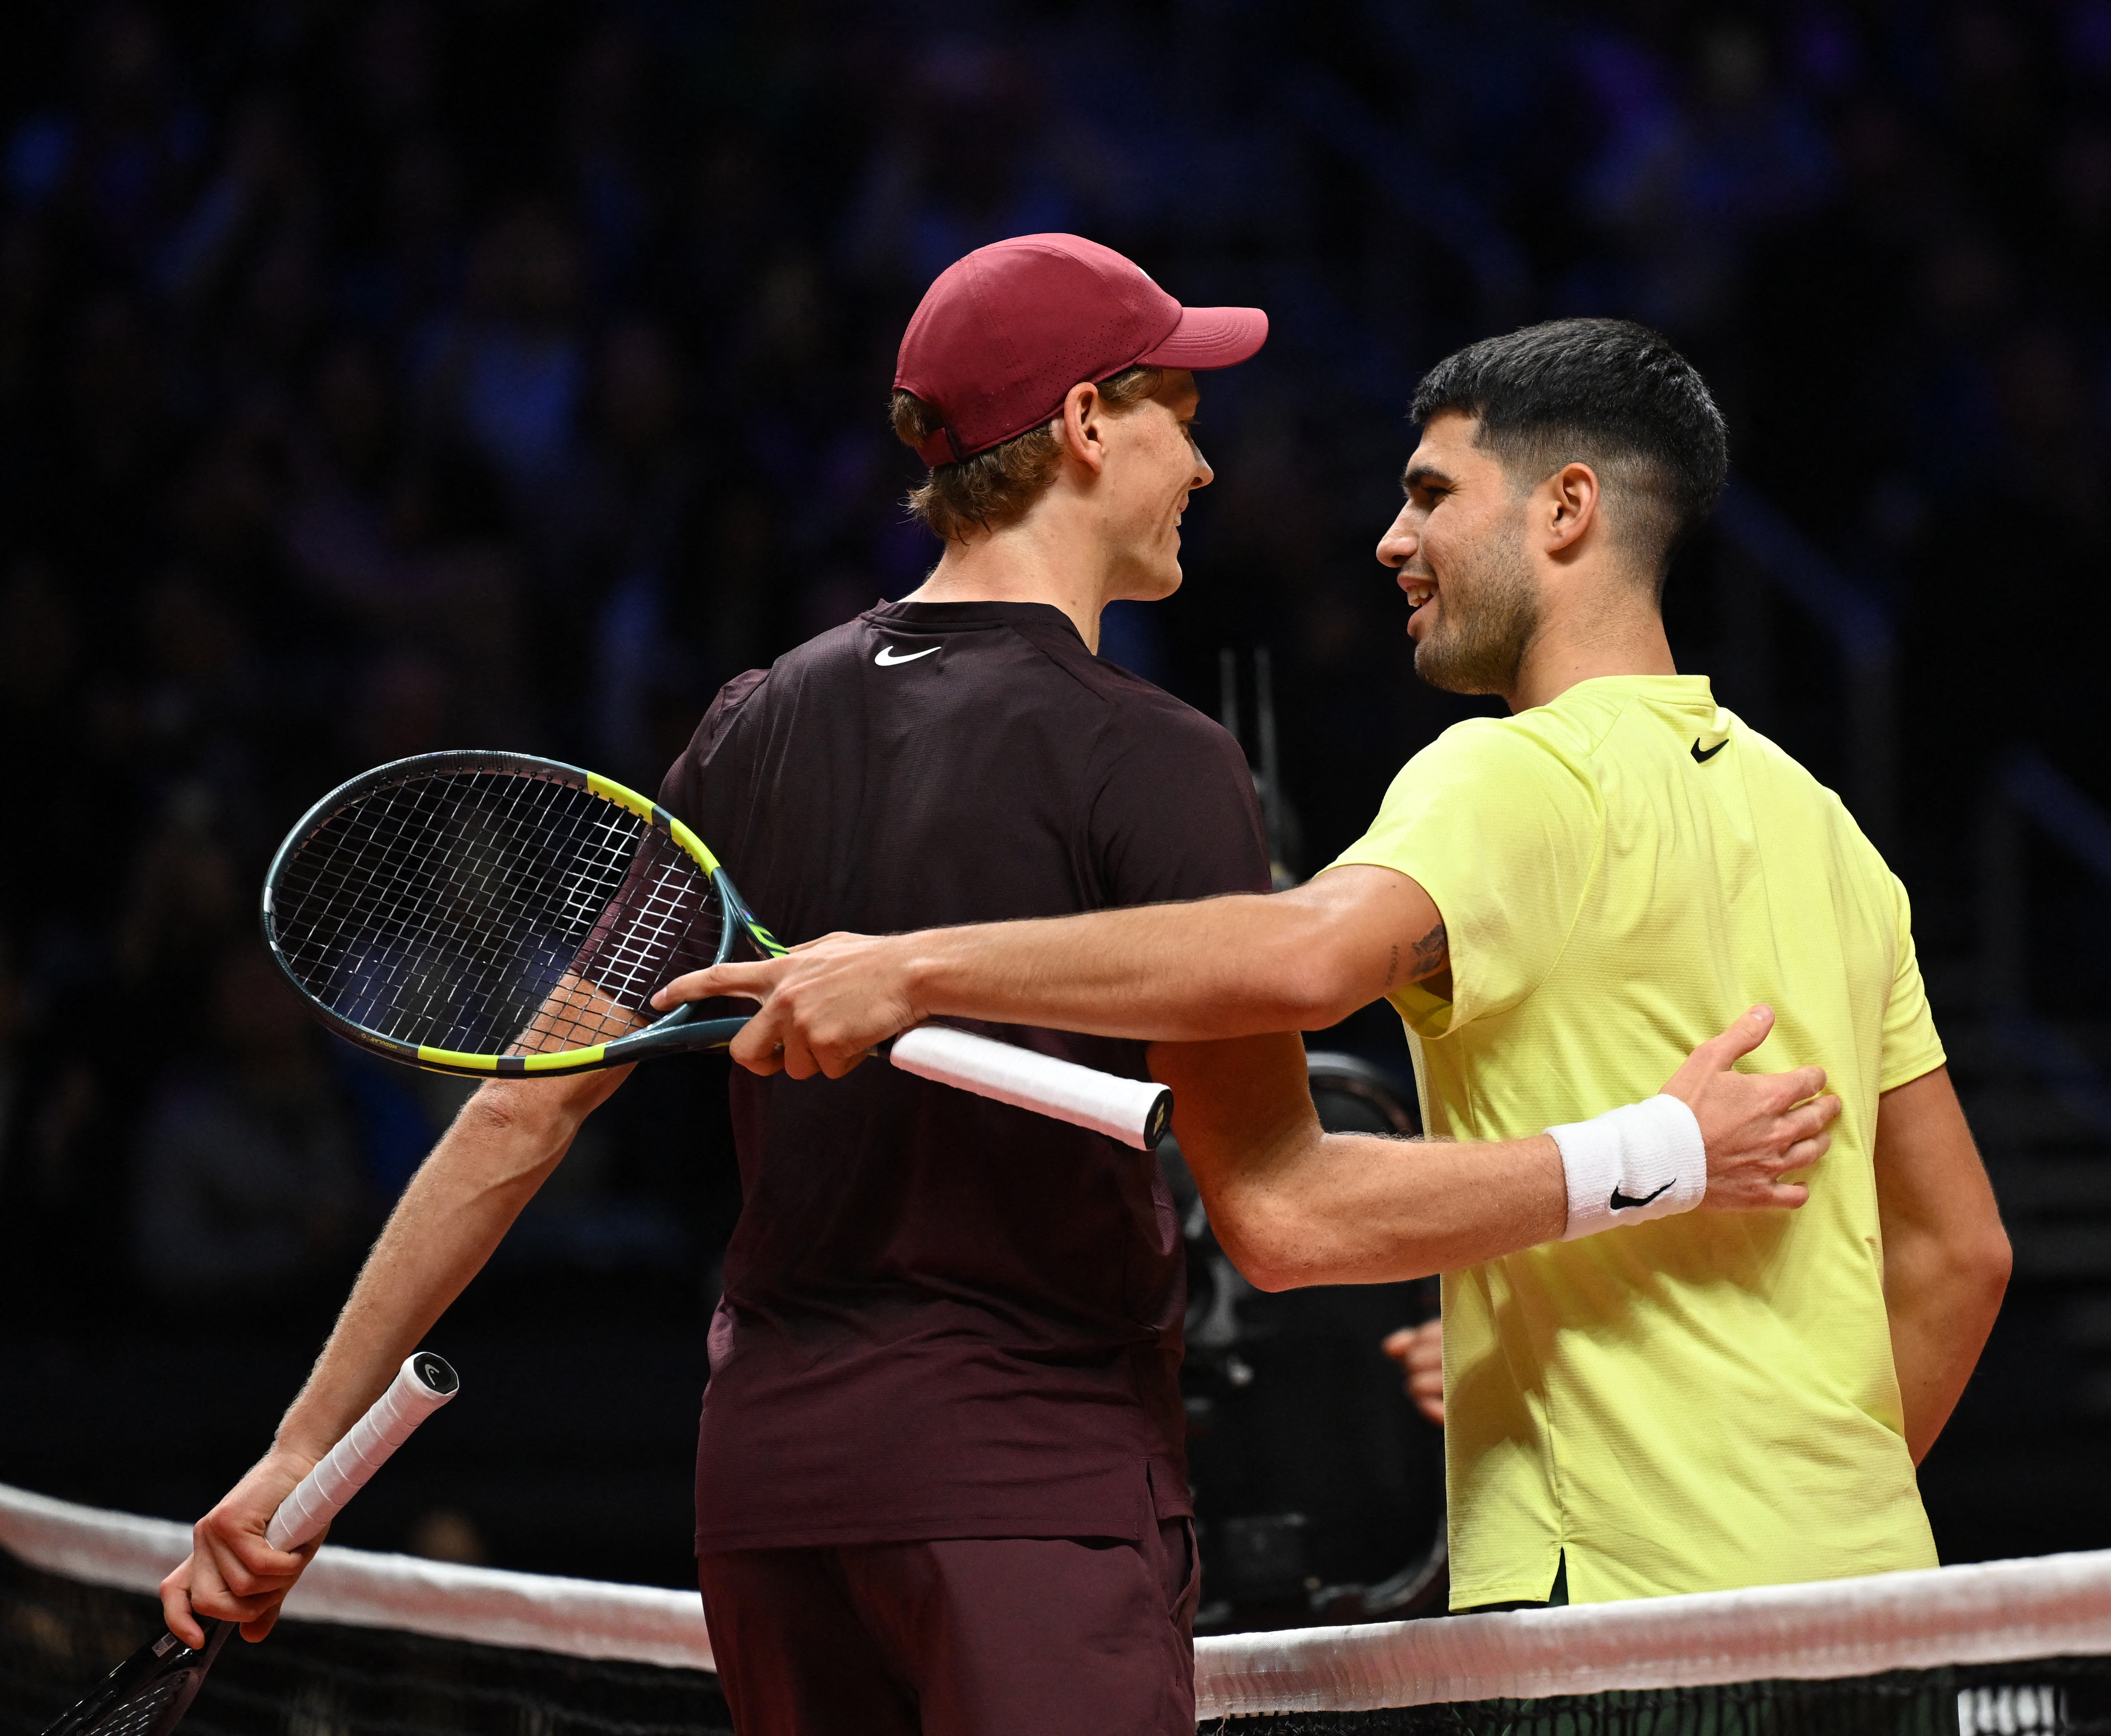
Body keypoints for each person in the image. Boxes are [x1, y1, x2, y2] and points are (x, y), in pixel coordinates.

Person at [159, 252, 1836, 1735]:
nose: (1202, 458)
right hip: (1027, 1495)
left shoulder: (751, 723)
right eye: (1181, 409)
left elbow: (521, 1113)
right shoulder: (1154, 760)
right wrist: (1654, 1155)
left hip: (769, 1497)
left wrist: (291, 1465)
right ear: (1088, 422)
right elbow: (1284, 1216)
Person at [657, 317, 2014, 1611]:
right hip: (1871, 1589)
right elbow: (1963, 1253)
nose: (1391, 539)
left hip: (1615, 1601)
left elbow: (1302, 959)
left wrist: (911, 968)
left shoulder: (1507, 775)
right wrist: (1805, 1516)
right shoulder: (1824, 826)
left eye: (1432, 495)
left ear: (1567, 509)